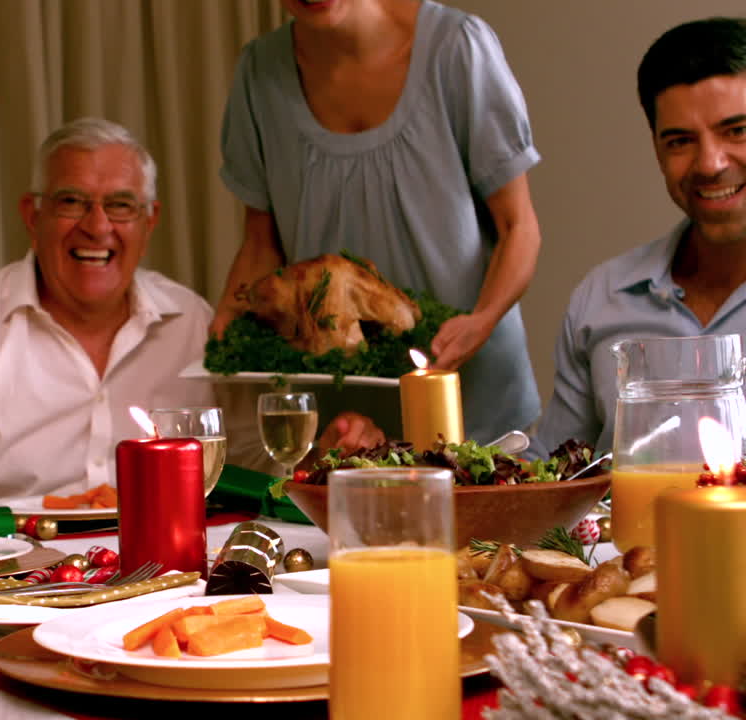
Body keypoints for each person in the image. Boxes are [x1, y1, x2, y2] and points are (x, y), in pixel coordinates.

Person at [0, 117, 382, 505]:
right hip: (17, 575)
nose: (97, 226)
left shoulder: (192, 320)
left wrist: (320, 456)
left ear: (151, 221)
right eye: (72, 202)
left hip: (171, 570)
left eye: (120, 206)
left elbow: (254, 463)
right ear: (33, 216)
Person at [211, 0, 544, 445]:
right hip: (345, 419)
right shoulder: (258, 73)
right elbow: (261, 244)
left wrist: (481, 320)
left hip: (470, 401)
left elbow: (518, 227)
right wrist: (226, 326)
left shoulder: (456, 48)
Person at [535, 17, 746, 456]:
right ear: (655, 148)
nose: (709, 163)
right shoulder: (603, 298)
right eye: (680, 141)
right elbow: (552, 480)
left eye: (737, 131)